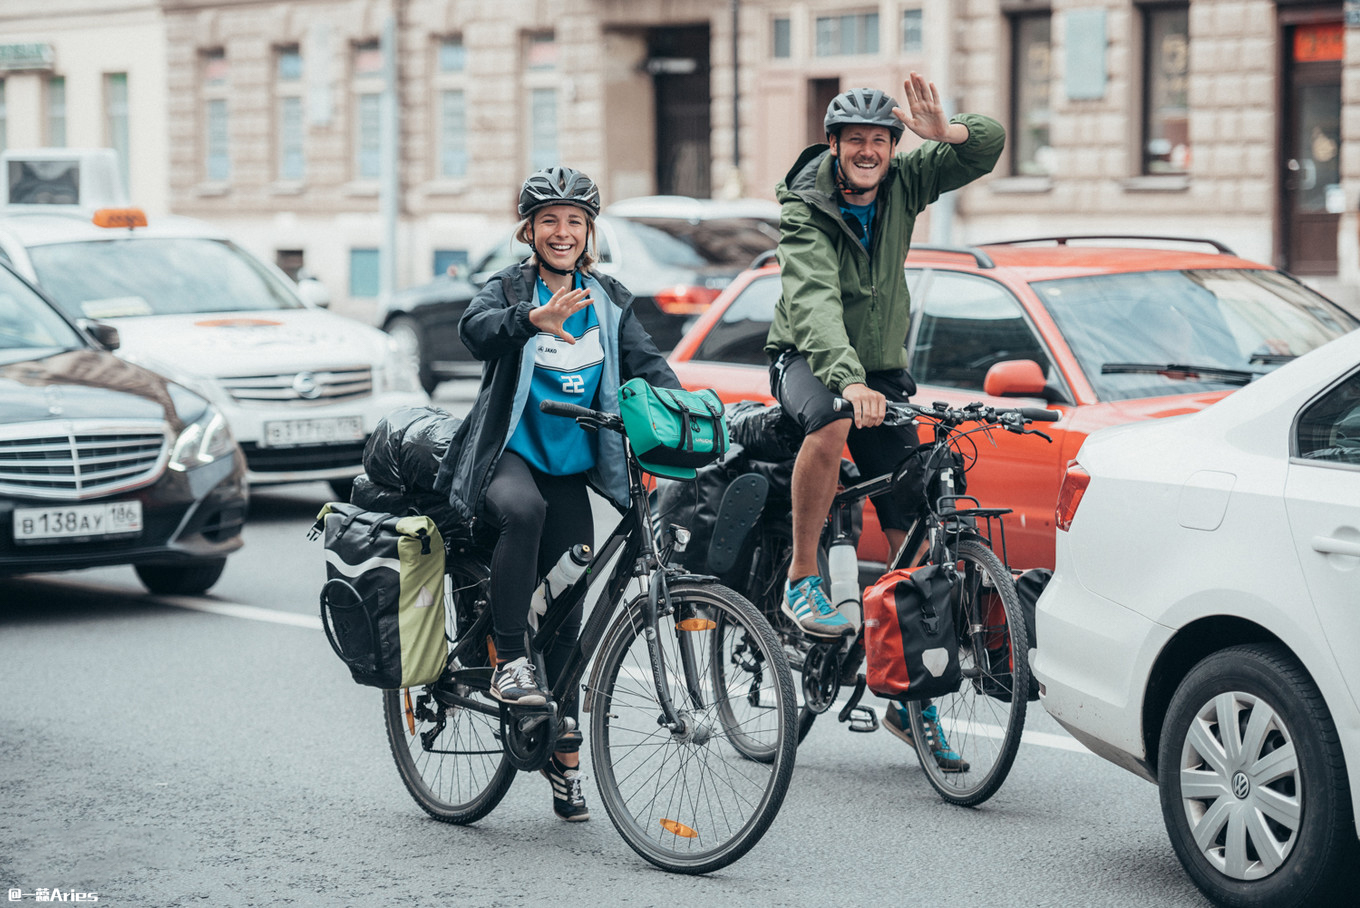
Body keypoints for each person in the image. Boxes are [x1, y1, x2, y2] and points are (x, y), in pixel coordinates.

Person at [764, 75, 1005, 770]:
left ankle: (909, 696)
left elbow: (986, 148)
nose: (867, 152)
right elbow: (811, 302)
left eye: (879, 141)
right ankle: (802, 574)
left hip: (883, 366)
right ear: (833, 145)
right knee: (834, 421)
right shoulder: (805, 206)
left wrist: (951, 133)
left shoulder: (904, 181)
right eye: (854, 141)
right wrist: (846, 380)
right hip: (809, 357)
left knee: (914, 520)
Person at [434, 165, 681, 821]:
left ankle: (561, 757)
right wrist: (529, 319)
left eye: (575, 220)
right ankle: (510, 658)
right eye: (549, 220)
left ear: (589, 232)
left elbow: (649, 365)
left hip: (571, 469)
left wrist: (693, 411)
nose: (562, 231)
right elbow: (475, 329)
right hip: (507, 458)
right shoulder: (509, 288)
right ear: (530, 230)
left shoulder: (606, 298)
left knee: (571, 602)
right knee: (526, 513)